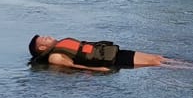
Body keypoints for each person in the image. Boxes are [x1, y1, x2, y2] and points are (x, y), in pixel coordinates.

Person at [29, 35, 177, 71]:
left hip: (111, 53)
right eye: (44, 39)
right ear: (41, 48)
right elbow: (75, 67)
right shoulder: (55, 57)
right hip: (111, 61)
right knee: (156, 63)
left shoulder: (60, 46)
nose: (48, 37)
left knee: (158, 58)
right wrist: (98, 69)